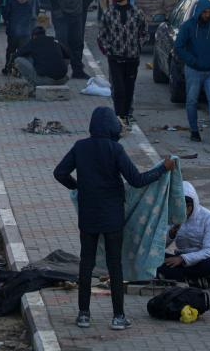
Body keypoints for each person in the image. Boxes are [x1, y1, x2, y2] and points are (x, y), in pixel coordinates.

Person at [54, 107, 176, 331]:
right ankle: (118, 316)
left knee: (86, 264)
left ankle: (83, 315)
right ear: (111, 126)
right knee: (114, 266)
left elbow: (59, 173)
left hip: (88, 215)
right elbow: (138, 180)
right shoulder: (115, 149)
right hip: (112, 217)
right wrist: (162, 168)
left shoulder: (80, 147)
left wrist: (79, 187)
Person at [175, 0, 210, 146]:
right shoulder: (188, 26)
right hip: (193, 70)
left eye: (209, 12)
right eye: (204, 12)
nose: (207, 15)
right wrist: (192, 61)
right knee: (192, 101)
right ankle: (194, 131)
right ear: (199, 11)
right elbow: (179, 46)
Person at [97, 0, 149, 125]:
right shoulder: (109, 13)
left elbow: (145, 32)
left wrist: (138, 46)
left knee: (128, 90)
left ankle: (125, 117)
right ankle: (118, 118)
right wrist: (109, 49)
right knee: (118, 90)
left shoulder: (137, 13)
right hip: (115, 58)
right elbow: (102, 35)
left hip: (132, 58)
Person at [156, 181, 210, 286]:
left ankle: (178, 277)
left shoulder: (209, 217)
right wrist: (172, 233)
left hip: (201, 259)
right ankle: (194, 280)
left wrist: (183, 259)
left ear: (191, 205)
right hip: (180, 258)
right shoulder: (173, 216)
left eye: (185, 207)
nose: (181, 211)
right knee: (155, 258)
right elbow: (161, 245)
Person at [49, 0, 88, 79]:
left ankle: (78, 71)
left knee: (77, 43)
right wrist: (58, 14)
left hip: (76, 15)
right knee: (62, 44)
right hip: (63, 16)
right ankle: (60, 71)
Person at [0, 0, 36, 69]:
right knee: (23, 51)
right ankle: (21, 69)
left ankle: (8, 67)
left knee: (11, 50)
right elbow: (34, 14)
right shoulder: (30, 1)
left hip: (13, 31)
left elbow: (5, 15)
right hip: (26, 32)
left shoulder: (11, 2)